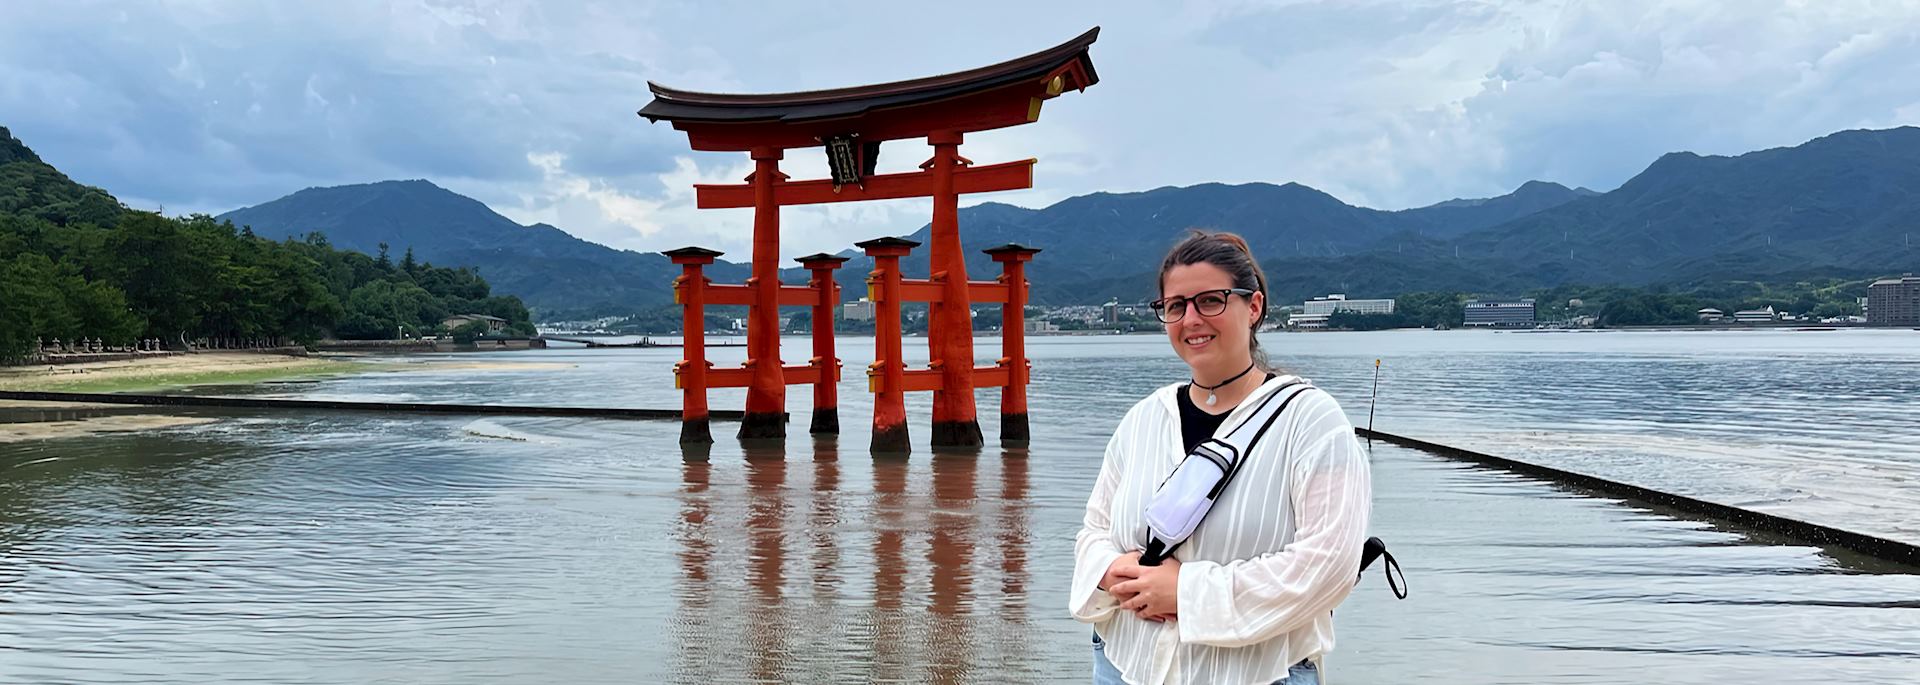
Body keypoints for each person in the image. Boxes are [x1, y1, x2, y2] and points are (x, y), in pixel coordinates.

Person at [1070, 231, 1373, 685]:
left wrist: (1186, 593)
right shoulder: (1144, 419)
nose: (1191, 319)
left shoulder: (1311, 420)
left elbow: (1329, 564)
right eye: (1176, 306)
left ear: (1253, 307)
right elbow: (1094, 529)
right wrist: (1113, 572)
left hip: (1258, 671)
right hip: (1124, 664)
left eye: (1210, 301)